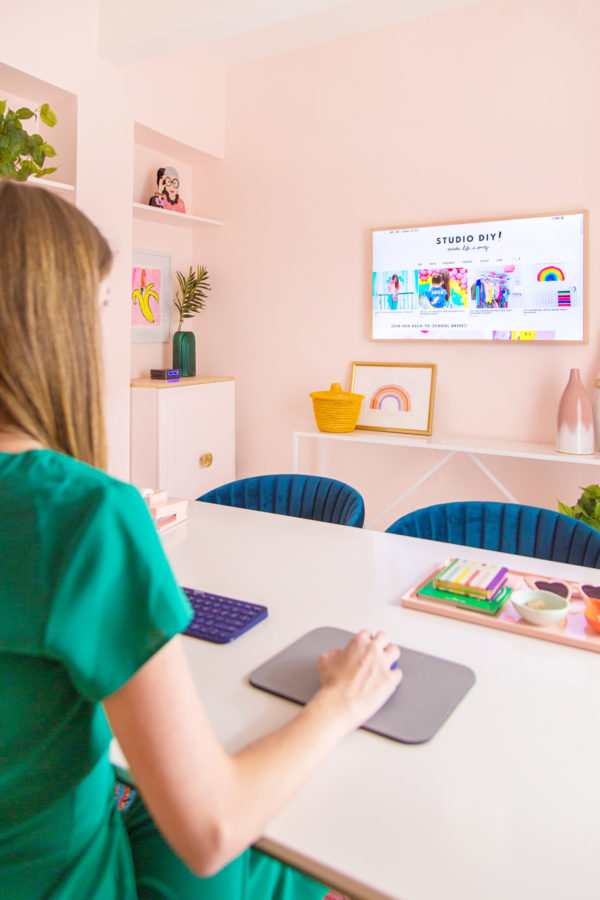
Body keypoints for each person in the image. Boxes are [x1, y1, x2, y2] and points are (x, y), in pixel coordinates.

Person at [0, 181, 403, 900]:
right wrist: (340, 702)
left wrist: (113, 554)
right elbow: (211, 829)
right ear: (49, 328)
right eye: (95, 311)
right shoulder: (86, 515)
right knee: (288, 823)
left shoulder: (86, 521)